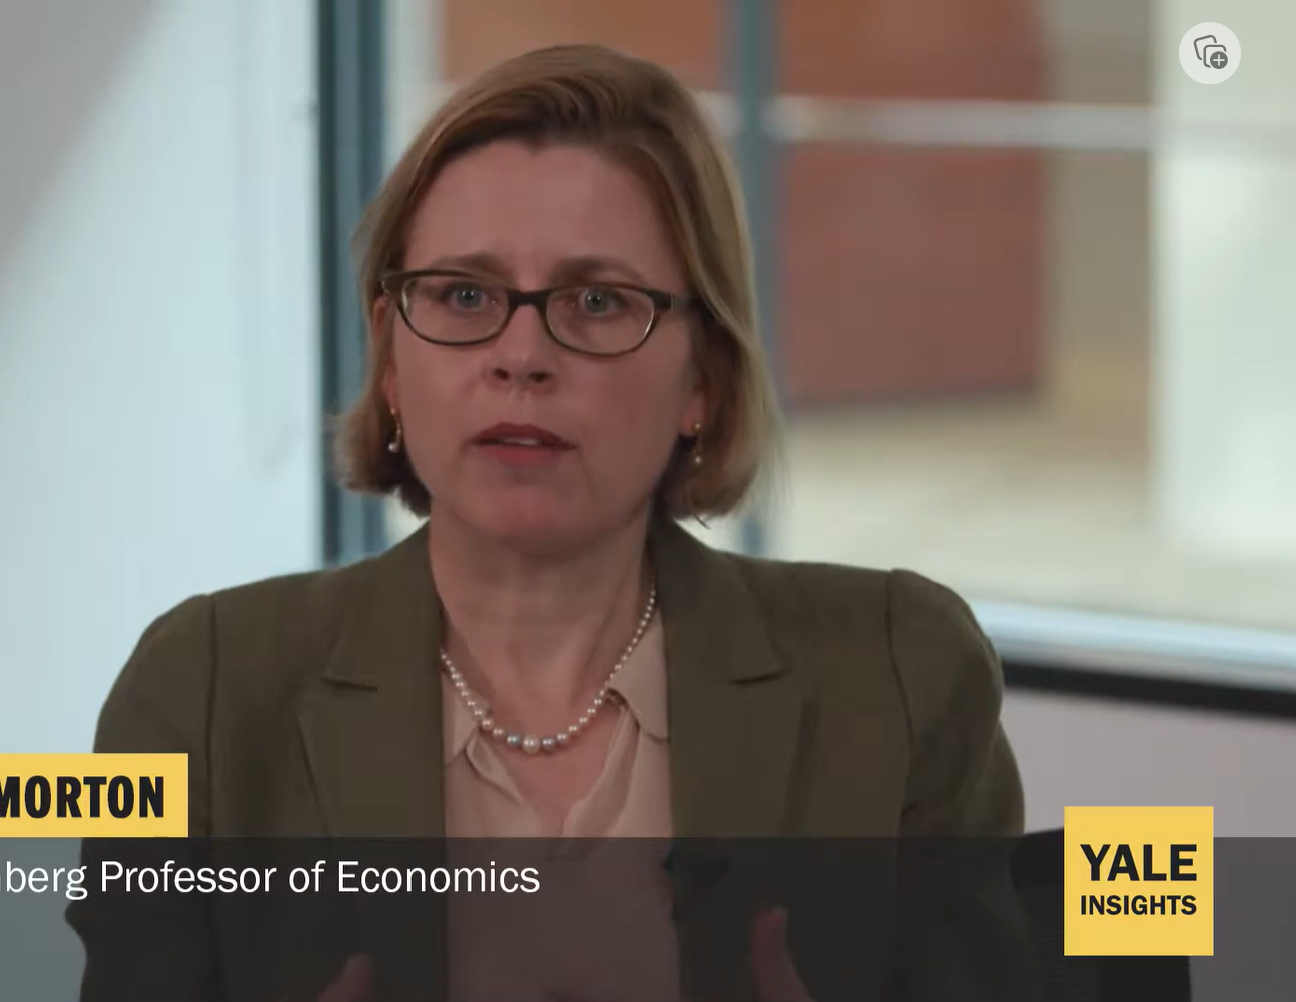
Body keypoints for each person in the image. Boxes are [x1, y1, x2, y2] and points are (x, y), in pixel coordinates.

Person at [67, 43, 1038, 1002]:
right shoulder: (204, 692)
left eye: (597, 301)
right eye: (463, 295)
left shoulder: (902, 674)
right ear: (391, 359)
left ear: (702, 379)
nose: (521, 355)